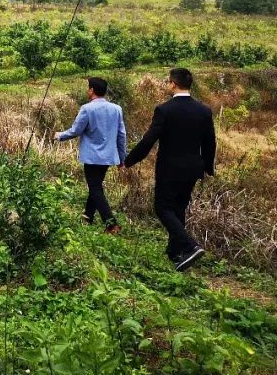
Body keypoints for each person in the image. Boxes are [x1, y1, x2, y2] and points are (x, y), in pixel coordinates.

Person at [122, 67, 216, 272]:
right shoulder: (204, 110)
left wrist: (129, 161)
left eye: (167, 82)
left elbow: (149, 140)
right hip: (193, 168)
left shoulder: (164, 110)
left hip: (170, 167)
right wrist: (208, 166)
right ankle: (176, 253)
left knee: (162, 207)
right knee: (179, 207)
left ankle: (190, 245)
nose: (167, 84)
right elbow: (210, 142)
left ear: (173, 84)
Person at [54, 76, 126, 233]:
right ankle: (87, 217)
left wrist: (59, 135)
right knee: (96, 186)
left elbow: (76, 131)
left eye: (88, 87)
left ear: (92, 90)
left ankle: (111, 223)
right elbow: (122, 135)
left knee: (95, 188)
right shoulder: (116, 109)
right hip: (108, 157)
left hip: (92, 157)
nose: (87, 90)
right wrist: (122, 158)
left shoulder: (87, 109)